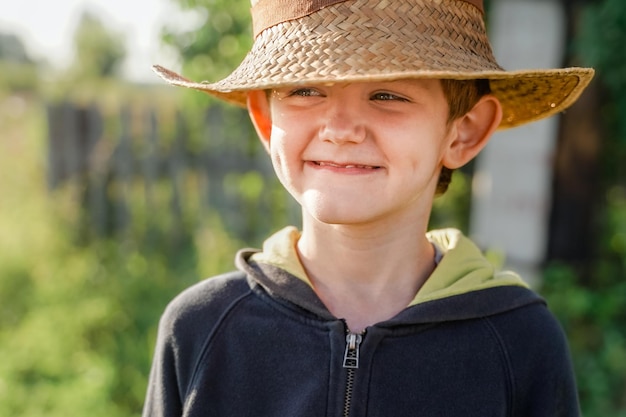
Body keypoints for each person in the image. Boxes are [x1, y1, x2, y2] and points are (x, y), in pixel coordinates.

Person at [143, 0, 594, 416]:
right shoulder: (200, 330)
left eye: (387, 96)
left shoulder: (521, 342)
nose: (340, 129)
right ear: (266, 119)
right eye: (305, 90)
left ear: (462, 132)